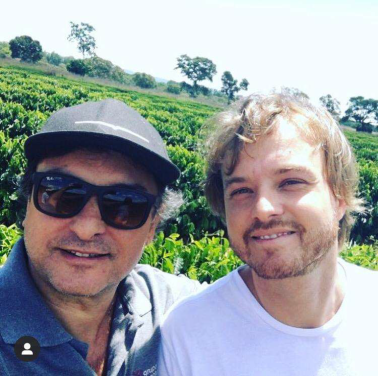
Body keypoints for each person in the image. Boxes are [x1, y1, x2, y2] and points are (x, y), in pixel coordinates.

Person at [159, 93, 378, 375]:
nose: (263, 209)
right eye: (241, 191)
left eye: (290, 182)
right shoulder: (187, 334)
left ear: (339, 197)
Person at [0, 99, 202, 376]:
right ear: (27, 205)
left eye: (126, 205)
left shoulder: (175, 306)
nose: (86, 228)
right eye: (61, 194)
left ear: (153, 226)